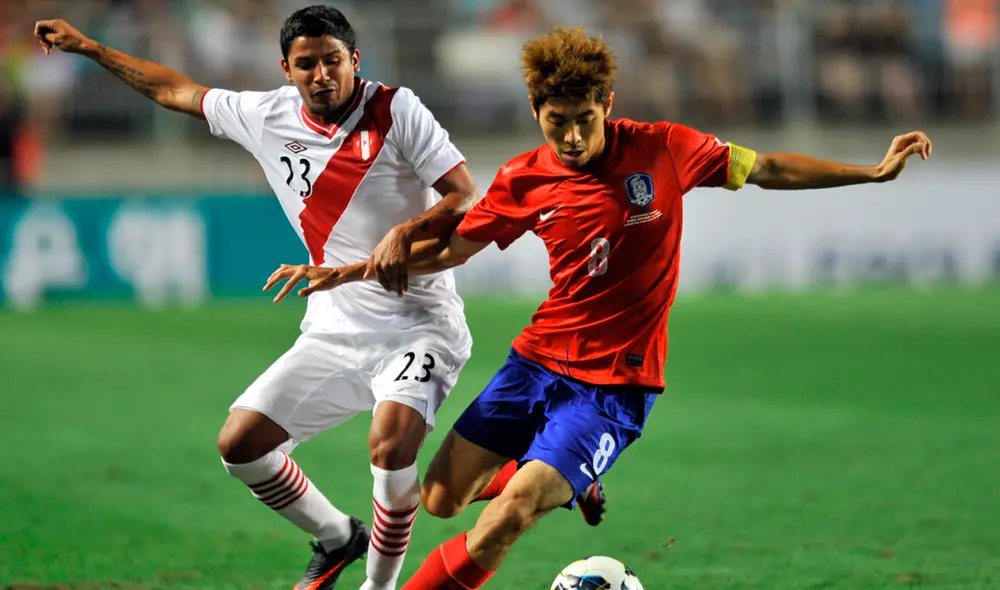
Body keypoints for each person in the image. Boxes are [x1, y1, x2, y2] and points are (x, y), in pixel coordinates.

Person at [265, 26, 933, 589]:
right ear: (536, 110)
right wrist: (347, 271)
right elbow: (454, 250)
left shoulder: (665, 148)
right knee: (439, 499)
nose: (573, 137)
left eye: (585, 119)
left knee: (507, 517)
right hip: (535, 363)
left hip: (615, 386)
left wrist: (871, 171)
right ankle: (570, 477)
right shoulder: (524, 178)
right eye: (557, 122)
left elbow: (768, 170)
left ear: (607, 104)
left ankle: (545, 481)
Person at [35, 6, 484, 590]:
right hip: (335, 325)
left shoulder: (397, 109)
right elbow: (174, 90)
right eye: (307, 64)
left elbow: (463, 194)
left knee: (391, 443)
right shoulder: (265, 115)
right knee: (240, 445)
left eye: (333, 61)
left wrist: (405, 229)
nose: (322, 75)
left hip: (419, 323)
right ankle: (337, 537)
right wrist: (92, 49)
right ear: (286, 69)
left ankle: (379, 585)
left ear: (354, 60)